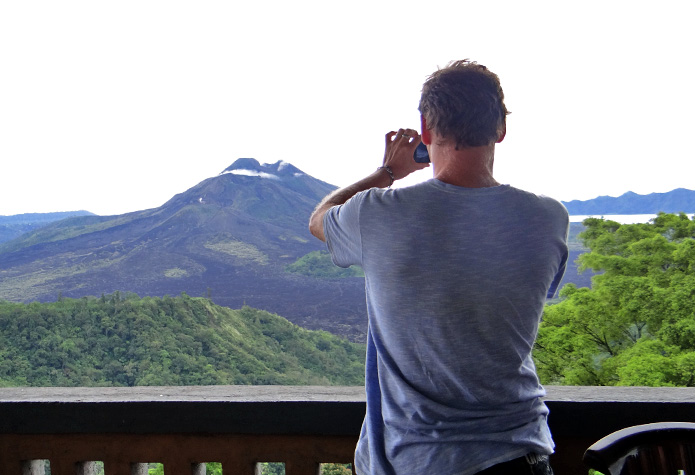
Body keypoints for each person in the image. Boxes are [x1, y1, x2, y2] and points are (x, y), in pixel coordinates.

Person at [309, 60, 568, 475]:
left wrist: (388, 171)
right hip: (523, 453)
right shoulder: (548, 218)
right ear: (500, 129)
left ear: (426, 133)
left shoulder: (380, 214)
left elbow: (320, 219)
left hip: (420, 459)